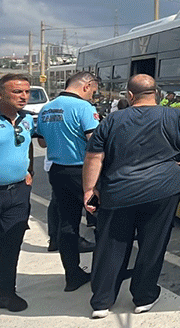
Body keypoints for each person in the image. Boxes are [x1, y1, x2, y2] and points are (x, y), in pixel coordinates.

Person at [83, 74, 180, 318]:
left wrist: (90, 190)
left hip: (119, 192)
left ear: (130, 96)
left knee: (112, 245)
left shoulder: (113, 120)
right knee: (152, 245)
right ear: (156, 93)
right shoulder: (175, 115)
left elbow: (94, 157)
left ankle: (101, 302)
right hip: (163, 190)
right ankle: (143, 297)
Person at [34, 71, 101, 292]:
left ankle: (72, 275)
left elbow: (42, 143)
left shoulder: (46, 108)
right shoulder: (84, 108)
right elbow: (95, 143)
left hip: (57, 172)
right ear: (86, 85)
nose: (93, 95)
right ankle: (104, 273)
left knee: (67, 223)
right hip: (83, 173)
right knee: (101, 217)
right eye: (93, 90)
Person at [0, 73, 35, 312]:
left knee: (11, 245)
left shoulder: (27, 119)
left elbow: (30, 144)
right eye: (17, 92)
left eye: (26, 92)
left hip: (18, 195)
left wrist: (29, 169)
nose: (23, 96)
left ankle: (6, 293)